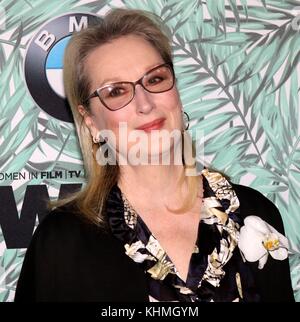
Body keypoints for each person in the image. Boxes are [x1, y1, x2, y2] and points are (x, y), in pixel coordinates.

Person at [14, 8, 294, 302]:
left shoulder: (253, 213)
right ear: (91, 122)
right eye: (116, 91)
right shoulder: (62, 244)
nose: (145, 103)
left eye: (155, 79)